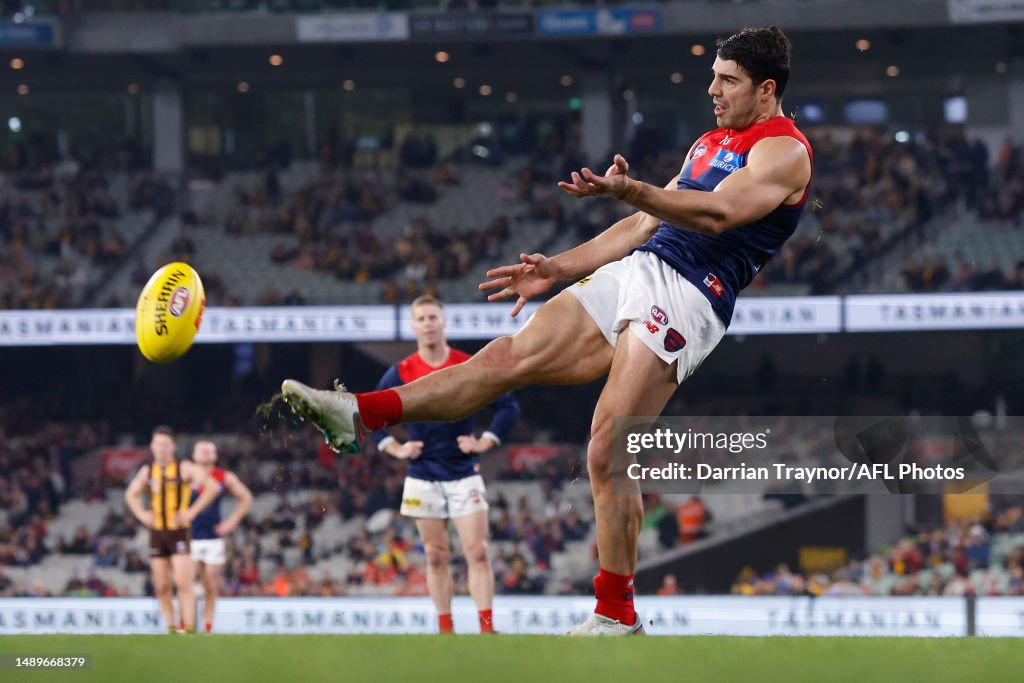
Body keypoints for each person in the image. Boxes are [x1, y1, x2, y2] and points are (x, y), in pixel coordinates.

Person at [280, 26, 812, 636]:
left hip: (692, 294)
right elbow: (642, 225)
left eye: (728, 80)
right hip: (642, 268)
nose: (711, 89)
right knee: (504, 359)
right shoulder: (709, 141)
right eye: (713, 75)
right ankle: (359, 414)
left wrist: (635, 189)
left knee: (609, 447)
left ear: (766, 89)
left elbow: (719, 214)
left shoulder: (785, 151)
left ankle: (616, 615)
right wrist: (555, 270)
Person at [373, 295, 519, 634]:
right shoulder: (401, 371)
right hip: (422, 475)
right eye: (421, 318)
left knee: (478, 552)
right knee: (436, 556)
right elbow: (373, 415)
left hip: (463, 473)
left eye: (432, 317)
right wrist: (394, 448)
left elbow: (508, 405)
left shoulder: (467, 366)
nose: (427, 323)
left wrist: (486, 441)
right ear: (413, 327)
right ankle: (446, 630)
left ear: (444, 322)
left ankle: (486, 629)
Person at [125, 426, 221, 634]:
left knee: (183, 583)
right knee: (161, 586)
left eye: (165, 445)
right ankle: (170, 630)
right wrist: (142, 515)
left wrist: (192, 512)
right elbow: (130, 494)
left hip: (179, 532)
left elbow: (213, 487)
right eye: (157, 444)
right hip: (157, 533)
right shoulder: (147, 471)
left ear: (173, 447)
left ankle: (188, 629)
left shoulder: (183, 468)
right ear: (151, 446)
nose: (161, 449)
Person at [189, 439, 253, 634]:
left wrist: (232, 522)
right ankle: (189, 626)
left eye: (209, 451)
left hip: (213, 537)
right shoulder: (186, 475)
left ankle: (207, 627)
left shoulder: (223, 476)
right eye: (201, 450)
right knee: (189, 584)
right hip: (189, 537)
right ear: (194, 455)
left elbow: (246, 498)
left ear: (215, 456)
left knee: (210, 583)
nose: (205, 454)